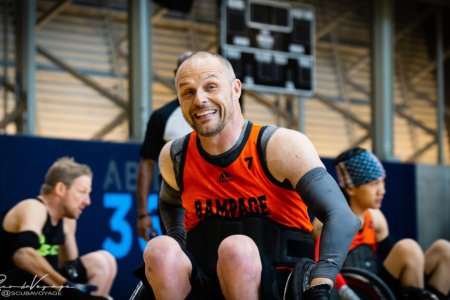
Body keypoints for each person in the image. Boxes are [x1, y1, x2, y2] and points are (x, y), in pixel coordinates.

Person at [132, 51, 361, 300]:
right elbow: (169, 201)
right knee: (160, 249)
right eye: (188, 92)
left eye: (211, 87)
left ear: (236, 89)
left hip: (277, 280)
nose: (199, 100)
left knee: (236, 249)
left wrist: (321, 282)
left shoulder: (281, 146)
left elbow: (341, 215)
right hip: (206, 281)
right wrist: (177, 239)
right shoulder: (174, 155)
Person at [313, 147, 450, 299]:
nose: (382, 191)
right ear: (351, 188)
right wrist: (345, 290)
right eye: (374, 184)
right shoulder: (327, 219)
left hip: (376, 286)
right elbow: (321, 266)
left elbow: (400, 257)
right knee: (408, 247)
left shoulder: (375, 217)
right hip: (352, 292)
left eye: (382, 182)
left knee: (444, 250)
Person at [0, 157, 117, 299]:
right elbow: (23, 255)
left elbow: (72, 269)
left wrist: (72, 287)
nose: (88, 201)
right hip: (11, 287)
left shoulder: (67, 220)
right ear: (61, 189)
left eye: (89, 194)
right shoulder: (33, 207)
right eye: (82, 192)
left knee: (104, 262)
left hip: (40, 285)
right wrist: (67, 288)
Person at [136, 51, 193, 240]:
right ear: (176, 75)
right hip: (174, 203)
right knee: (179, 256)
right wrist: (143, 214)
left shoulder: (215, 113)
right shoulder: (162, 116)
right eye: (184, 70)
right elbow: (146, 164)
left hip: (212, 198)